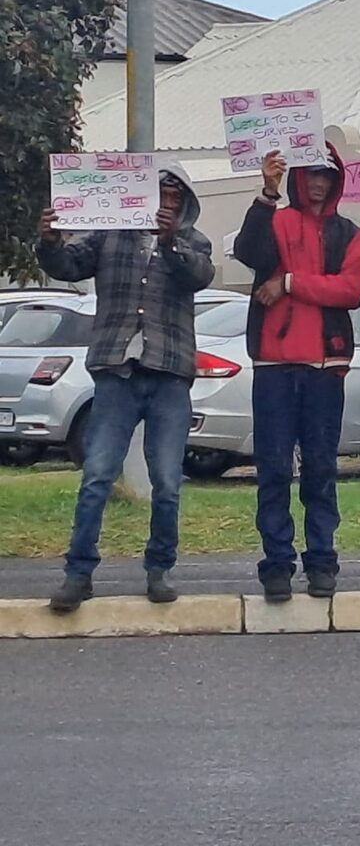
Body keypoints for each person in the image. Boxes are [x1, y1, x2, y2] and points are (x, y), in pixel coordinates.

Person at [38, 161, 214, 613]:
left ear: (185, 205)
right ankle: (78, 573)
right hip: (116, 370)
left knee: (167, 481)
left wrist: (169, 241)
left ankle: (160, 569)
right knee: (97, 473)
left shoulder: (194, 241)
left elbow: (199, 275)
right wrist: (51, 241)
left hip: (169, 372)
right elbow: (68, 265)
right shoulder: (108, 235)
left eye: (176, 197)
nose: (167, 202)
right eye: (161, 194)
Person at [233, 146, 360, 602]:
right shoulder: (275, 219)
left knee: (320, 470)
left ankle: (321, 562)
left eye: (326, 175)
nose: (318, 183)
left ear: (336, 182)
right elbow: (248, 251)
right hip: (273, 364)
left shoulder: (348, 233)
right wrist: (267, 193)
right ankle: (276, 564)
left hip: (325, 367)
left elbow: (351, 290)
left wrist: (289, 282)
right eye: (311, 174)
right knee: (272, 469)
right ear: (297, 177)